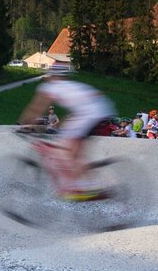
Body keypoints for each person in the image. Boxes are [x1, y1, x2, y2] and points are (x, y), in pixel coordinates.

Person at [16, 72, 116, 200]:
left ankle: (83, 186)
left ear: (48, 79)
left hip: (90, 112)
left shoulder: (49, 87)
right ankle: (89, 183)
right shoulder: (68, 86)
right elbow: (77, 108)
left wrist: (22, 123)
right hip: (99, 109)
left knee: (67, 146)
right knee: (72, 148)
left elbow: (36, 109)